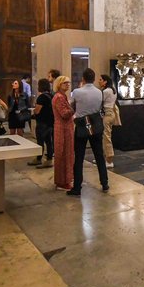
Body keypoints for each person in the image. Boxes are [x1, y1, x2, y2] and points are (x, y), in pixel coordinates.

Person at [68, 68, 108, 196]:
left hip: (81, 126)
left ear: (83, 79)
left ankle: (77, 187)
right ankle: (104, 182)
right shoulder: (99, 92)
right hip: (96, 125)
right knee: (99, 155)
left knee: (79, 157)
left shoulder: (77, 92)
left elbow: (71, 105)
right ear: (94, 78)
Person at [52, 76, 75, 190]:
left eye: (68, 83)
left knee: (67, 154)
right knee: (63, 155)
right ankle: (62, 181)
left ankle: (65, 180)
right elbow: (64, 113)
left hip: (65, 128)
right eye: (65, 83)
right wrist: (73, 108)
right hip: (62, 129)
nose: (67, 85)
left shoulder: (62, 96)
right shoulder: (59, 97)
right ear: (59, 84)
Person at [28, 78, 54, 167]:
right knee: (49, 141)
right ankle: (49, 159)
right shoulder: (51, 96)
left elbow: (37, 111)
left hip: (42, 122)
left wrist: (34, 110)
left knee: (40, 142)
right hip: (50, 122)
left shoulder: (42, 97)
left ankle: (38, 158)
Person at [98, 74, 118, 168]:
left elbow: (100, 102)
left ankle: (109, 160)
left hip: (107, 114)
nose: (99, 81)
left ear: (105, 81)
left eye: (101, 80)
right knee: (106, 136)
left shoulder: (106, 91)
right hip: (111, 113)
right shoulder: (113, 90)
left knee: (106, 137)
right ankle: (104, 158)